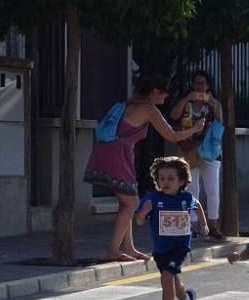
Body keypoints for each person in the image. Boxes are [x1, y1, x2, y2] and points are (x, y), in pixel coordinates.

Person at [85, 74, 205, 262]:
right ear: (155, 92)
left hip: (108, 151)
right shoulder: (148, 109)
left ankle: (129, 247)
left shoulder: (128, 103)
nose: (165, 99)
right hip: (118, 155)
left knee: (127, 202)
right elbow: (172, 136)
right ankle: (113, 250)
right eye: (164, 94)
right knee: (131, 202)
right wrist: (195, 129)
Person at [135, 157, 207, 300]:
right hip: (161, 249)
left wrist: (204, 224)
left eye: (170, 178)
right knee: (173, 281)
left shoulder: (186, 198)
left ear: (182, 180)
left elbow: (197, 205)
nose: (165, 182)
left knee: (167, 278)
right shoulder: (152, 197)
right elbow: (138, 221)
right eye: (161, 178)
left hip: (180, 247)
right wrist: (145, 211)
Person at [169, 71, 226, 240]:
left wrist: (212, 102)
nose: (200, 86)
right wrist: (187, 98)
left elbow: (220, 121)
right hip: (188, 150)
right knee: (192, 188)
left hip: (208, 152)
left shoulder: (212, 104)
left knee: (212, 189)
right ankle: (193, 226)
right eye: (197, 83)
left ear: (209, 86)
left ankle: (213, 225)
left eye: (203, 83)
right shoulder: (186, 103)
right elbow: (173, 115)